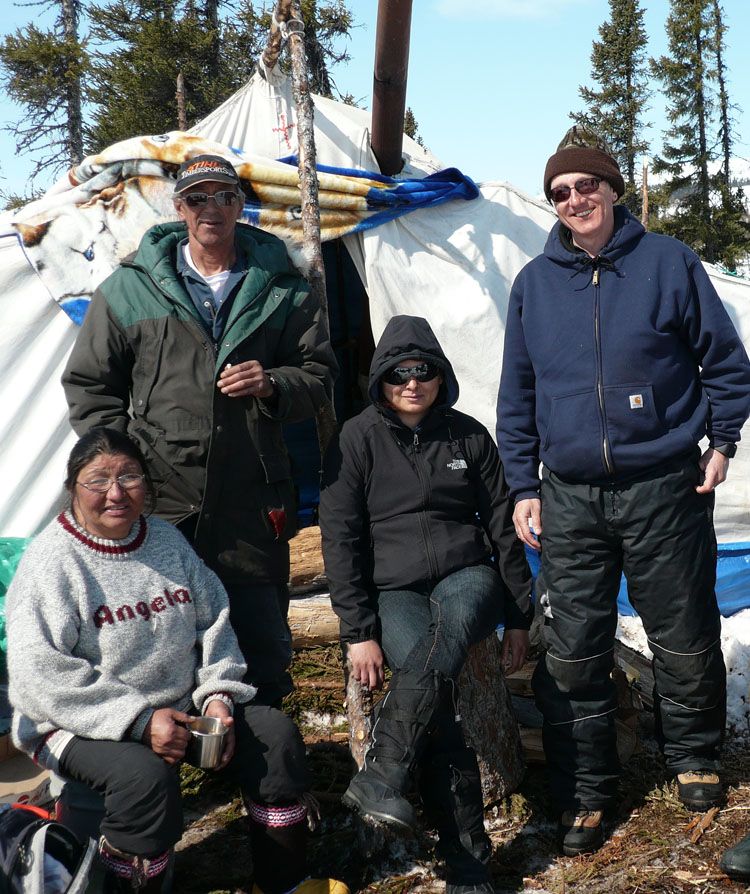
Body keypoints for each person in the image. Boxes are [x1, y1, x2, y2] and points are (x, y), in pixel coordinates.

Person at [61, 155, 338, 878]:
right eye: (196, 197)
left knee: (261, 650)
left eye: (223, 195)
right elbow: (91, 388)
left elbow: (322, 378)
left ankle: (263, 792)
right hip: (161, 508)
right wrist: (123, 473)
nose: (210, 207)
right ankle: (150, 796)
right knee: (144, 646)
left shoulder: (281, 287)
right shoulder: (129, 289)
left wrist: (273, 383)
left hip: (252, 505)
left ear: (242, 207)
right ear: (178, 209)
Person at [497, 126, 750, 857]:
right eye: (561, 192)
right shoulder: (535, 285)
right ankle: (586, 788)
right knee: (573, 649)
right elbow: (517, 396)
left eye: (586, 185)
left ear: (611, 189)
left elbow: (726, 367)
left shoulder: (669, 263)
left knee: (684, 629)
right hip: (570, 493)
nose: (575, 199)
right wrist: (523, 485)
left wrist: (722, 444)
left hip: (664, 484)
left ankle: (695, 755)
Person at [6, 429, 345, 893]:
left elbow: (214, 622)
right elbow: (36, 674)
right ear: (73, 489)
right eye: (98, 480)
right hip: (71, 723)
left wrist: (219, 697)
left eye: (129, 477)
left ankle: (282, 881)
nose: (116, 492)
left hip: (180, 711)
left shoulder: (164, 539)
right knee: (144, 781)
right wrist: (140, 721)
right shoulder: (53, 562)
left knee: (274, 737)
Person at [320, 315, 532, 894]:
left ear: (441, 376)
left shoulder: (467, 435)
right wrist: (359, 629)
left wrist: (519, 615)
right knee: (436, 701)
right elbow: (339, 538)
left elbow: (503, 528)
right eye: (398, 374)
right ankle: (467, 862)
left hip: (467, 576)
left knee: (443, 643)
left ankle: (385, 770)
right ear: (381, 379)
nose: (411, 384)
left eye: (423, 372)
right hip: (394, 589)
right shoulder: (356, 439)